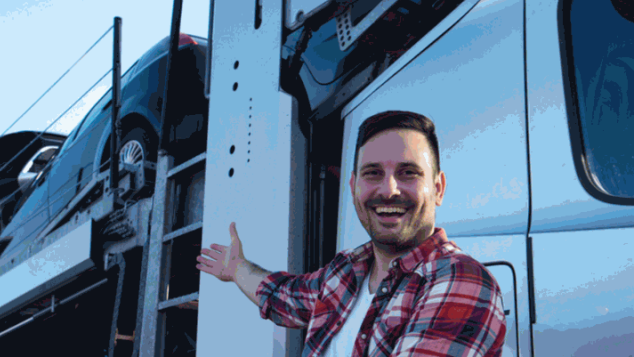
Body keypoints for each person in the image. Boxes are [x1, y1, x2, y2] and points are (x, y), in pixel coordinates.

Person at [196, 110, 507, 356]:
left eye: (408, 173)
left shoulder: (461, 280)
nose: (389, 190)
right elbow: (287, 297)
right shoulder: (347, 269)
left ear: (437, 189)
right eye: (373, 173)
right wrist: (237, 268)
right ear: (353, 187)